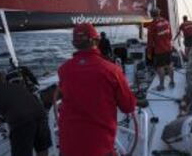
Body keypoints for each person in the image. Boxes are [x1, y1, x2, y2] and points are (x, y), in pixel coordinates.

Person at [58, 23, 136, 156]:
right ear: (96, 40)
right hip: (99, 148)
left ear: (74, 44)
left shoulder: (64, 70)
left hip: (68, 147)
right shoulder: (112, 70)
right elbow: (128, 106)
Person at [147, 8, 175, 91]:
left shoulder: (152, 25)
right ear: (159, 13)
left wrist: (149, 52)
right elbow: (170, 36)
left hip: (159, 50)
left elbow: (150, 42)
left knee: (160, 67)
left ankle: (162, 85)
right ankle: (172, 81)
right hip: (168, 48)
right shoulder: (166, 22)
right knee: (169, 65)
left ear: (151, 15)